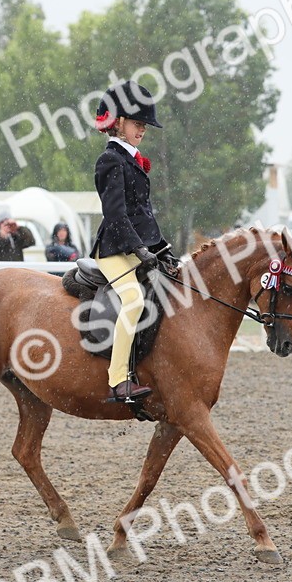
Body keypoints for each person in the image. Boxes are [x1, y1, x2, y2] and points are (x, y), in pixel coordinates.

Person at [91, 80, 179, 403]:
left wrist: (162, 247)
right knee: (134, 301)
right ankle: (118, 380)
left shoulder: (133, 160)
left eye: (144, 125)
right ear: (118, 123)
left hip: (134, 246)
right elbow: (116, 215)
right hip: (114, 248)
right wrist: (140, 249)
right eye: (137, 124)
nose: (142, 130)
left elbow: (142, 214)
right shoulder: (110, 161)